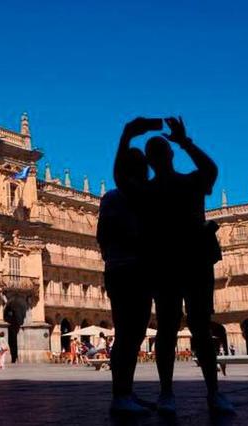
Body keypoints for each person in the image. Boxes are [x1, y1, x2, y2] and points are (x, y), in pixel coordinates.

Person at [144, 117, 234, 415]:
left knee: (181, 327)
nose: (160, 156)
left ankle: (184, 392)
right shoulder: (151, 192)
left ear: (162, 157)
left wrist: (183, 142)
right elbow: (211, 169)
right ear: (160, 157)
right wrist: (185, 142)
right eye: (157, 152)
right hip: (173, 263)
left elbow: (211, 171)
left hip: (187, 262)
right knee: (184, 327)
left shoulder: (184, 184)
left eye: (160, 152)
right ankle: (203, 392)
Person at [97, 117, 159, 414]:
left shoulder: (111, 199)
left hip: (120, 269)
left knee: (131, 334)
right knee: (128, 334)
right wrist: (125, 137)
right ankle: (120, 397)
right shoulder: (133, 196)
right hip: (131, 270)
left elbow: (101, 237)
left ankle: (126, 392)